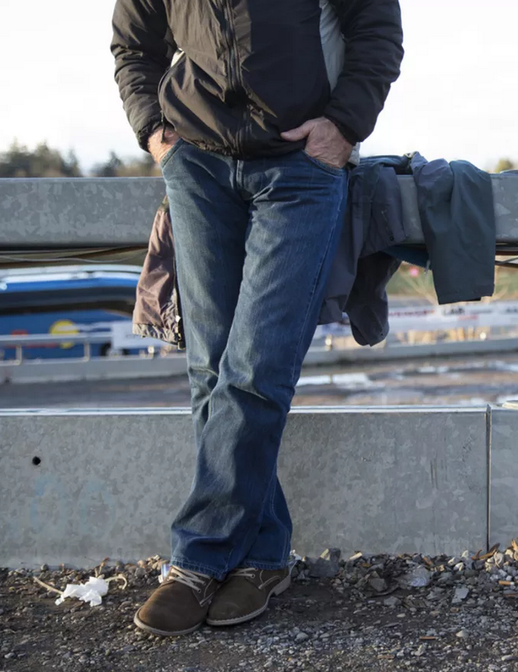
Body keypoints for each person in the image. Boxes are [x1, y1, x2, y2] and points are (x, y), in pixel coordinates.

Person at [111, 0, 403, 637]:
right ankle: (264, 556)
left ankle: (196, 560)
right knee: (212, 369)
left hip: (300, 166)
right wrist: (155, 131)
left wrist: (343, 125)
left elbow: (377, 31)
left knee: (258, 364)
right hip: (197, 162)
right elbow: (133, 45)